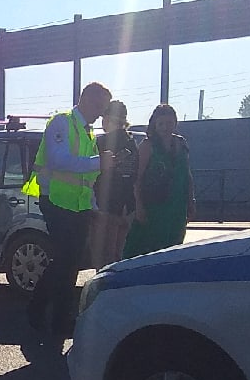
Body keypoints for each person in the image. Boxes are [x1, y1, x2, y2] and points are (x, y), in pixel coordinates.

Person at [21, 81, 107, 357]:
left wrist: (92, 204)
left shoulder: (87, 131)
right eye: (97, 106)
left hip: (77, 204)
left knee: (69, 261)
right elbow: (60, 161)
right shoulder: (62, 123)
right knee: (67, 259)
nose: (99, 114)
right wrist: (99, 162)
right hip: (56, 200)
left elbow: (87, 180)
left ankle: (48, 312)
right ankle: (54, 316)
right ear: (84, 99)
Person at [121, 103, 194, 258]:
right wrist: (139, 206)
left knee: (173, 246)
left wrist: (190, 201)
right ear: (154, 124)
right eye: (161, 123)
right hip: (153, 206)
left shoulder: (181, 143)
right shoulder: (148, 145)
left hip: (177, 206)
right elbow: (137, 179)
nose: (165, 127)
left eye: (169, 123)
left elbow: (187, 174)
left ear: (175, 122)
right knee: (145, 246)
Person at [90, 98, 138, 269]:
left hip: (105, 206)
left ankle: (104, 293)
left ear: (108, 118)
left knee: (103, 258)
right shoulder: (131, 142)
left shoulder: (102, 142)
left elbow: (92, 172)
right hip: (127, 207)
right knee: (118, 256)